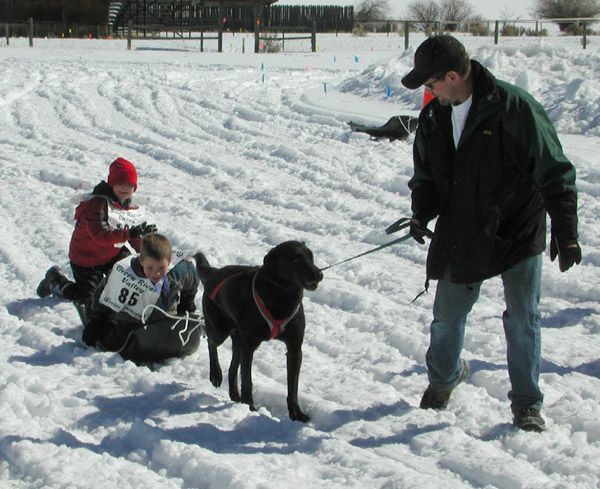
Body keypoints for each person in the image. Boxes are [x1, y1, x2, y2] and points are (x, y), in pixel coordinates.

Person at [400, 35, 581, 432]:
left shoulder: (514, 108)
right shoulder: (434, 116)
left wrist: (566, 231)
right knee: (447, 318)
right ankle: (444, 379)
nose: (427, 92)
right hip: (463, 229)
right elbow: (426, 174)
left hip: (517, 229)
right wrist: (421, 213)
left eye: (430, 84)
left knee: (522, 319)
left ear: (452, 76)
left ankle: (527, 404)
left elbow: (555, 169)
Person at [36, 157, 157, 322]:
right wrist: (130, 233)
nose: (125, 188)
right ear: (112, 183)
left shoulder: (128, 206)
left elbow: (133, 236)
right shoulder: (98, 204)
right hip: (87, 259)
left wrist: (146, 249)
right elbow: (100, 235)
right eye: (121, 182)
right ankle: (56, 281)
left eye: (130, 185)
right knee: (88, 297)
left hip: (113, 254)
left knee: (133, 275)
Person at [82, 233, 205, 364]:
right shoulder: (122, 271)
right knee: (112, 341)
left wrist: (187, 303)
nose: (156, 273)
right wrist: (97, 318)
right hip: (128, 323)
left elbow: (193, 277)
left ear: (169, 262)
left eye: (161, 268)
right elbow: (103, 292)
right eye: (150, 268)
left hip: (163, 320)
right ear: (141, 261)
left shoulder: (177, 272)